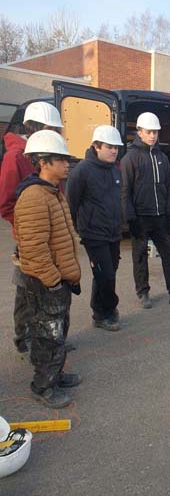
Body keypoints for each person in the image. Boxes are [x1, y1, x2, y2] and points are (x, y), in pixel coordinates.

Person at [14, 130, 82, 409]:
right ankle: (42, 386)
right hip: (46, 282)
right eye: (61, 160)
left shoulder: (53, 193)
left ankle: (55, 374)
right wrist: (53, 280)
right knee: (46, 334)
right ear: (43, 162)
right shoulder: (34, 197)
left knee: (58, 330)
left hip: (58, 280)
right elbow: (34, 248)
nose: (67, 165)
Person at [0, 102, 65, 361]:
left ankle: (48, 338)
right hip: (30, 238)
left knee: (47, 291)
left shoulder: (40, 154)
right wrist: (29, 228)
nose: (58, 134)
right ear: (40, 127)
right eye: (54, 128)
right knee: (27, 291)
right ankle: (24, 336)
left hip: (50, 236)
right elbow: (6, 202)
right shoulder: (16, 157)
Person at [121, 112, 170, 307]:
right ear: (139, 132)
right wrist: (131, 218)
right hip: (141, 217)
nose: (153, 135)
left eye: (155, 132)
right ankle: (143, 293)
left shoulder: (163, 157)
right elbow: (124, 191)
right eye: (149, 132)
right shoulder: (130, 158)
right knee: (140, 256)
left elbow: (169, 189)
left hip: (161, 217)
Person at [66, 125, 123, 331]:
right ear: (96, 146)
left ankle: (102, 309)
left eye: (116, 147)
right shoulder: (82, 171)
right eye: (110, 147)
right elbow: (71, 203)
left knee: (109, 274)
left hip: (114, 233)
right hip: (94, 234)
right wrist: (80, 229)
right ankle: (104, 312)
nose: (114, 151)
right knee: (104, 274)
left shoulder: (115, 170)